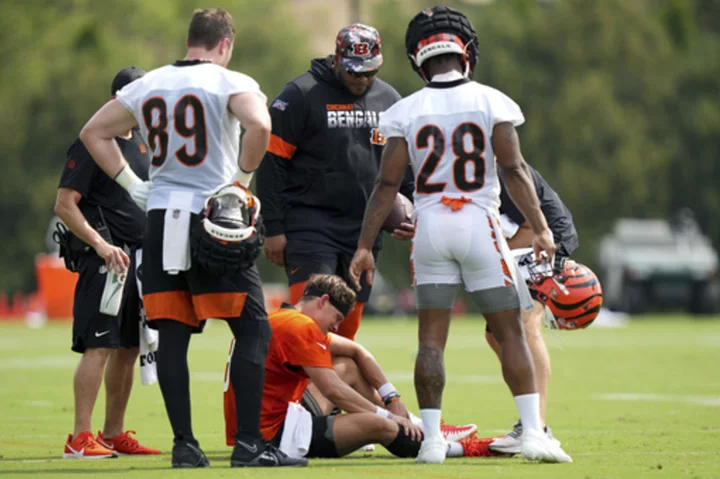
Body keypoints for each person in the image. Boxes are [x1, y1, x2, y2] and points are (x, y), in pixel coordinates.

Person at [78, 8, 304, 468]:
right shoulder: (227, 80)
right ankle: (247, 445)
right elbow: (260, 124)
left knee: (173, 336)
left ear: (190, 40)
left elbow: (93, 133)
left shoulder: (147, 84)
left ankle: (185, 445)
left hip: (161, 218)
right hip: (213, 216)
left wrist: (133, 185)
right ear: (225, 44)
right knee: (253, 330)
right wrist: (240, 179)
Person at [349, 5, 572, 464]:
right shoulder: (492, 100)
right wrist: (543, 226)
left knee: (431, 340)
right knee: (510, 332)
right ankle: (532, 432)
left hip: (430, 227)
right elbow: (512, 168)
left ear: (419, 61)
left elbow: (386, 185)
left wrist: (364, 246)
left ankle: (431, 441)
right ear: (464, 56)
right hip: (479, 223)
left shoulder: (404, 109)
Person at [223, 274, 498, 461]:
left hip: (257, 426)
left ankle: (420, 425)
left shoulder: (283, 317)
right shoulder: (301, 327)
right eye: (336, 318)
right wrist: (389, 417)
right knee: (378, 425)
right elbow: (333, 389)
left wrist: (393, 399)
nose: (335, 326)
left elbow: (357, 351)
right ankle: (458, 448)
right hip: (274, 437)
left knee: (348, 367)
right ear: (323, 302)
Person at [256, 23, 415, 341]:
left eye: (369, 72)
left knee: (346, 331)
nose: (362, 80)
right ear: (337, 60)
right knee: (309, 325)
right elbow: (270, 165)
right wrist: (273, 229)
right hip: (310, 227)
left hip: (363, 233)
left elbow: (403, 168)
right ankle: (297, 392)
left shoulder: (390, 99)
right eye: (354, 72)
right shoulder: (301, 94)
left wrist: (413, 210)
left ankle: (328, 392)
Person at [55, 66, 160, 458]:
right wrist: (100, 245)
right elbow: (64, 205)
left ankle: (113, 433)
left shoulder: (143, 143)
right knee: (98, 346)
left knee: (128, 348)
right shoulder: (90, 143)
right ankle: (79, 437)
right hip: (105, 260)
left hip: (137, 261)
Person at [488, 165, 579, 454]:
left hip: (547, 239)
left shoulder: (497, 171)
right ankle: (528, 420)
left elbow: (531, 227)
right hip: (522, 243)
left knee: (526, 325)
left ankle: (536, 427)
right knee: (496, 335)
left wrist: (494, 255)